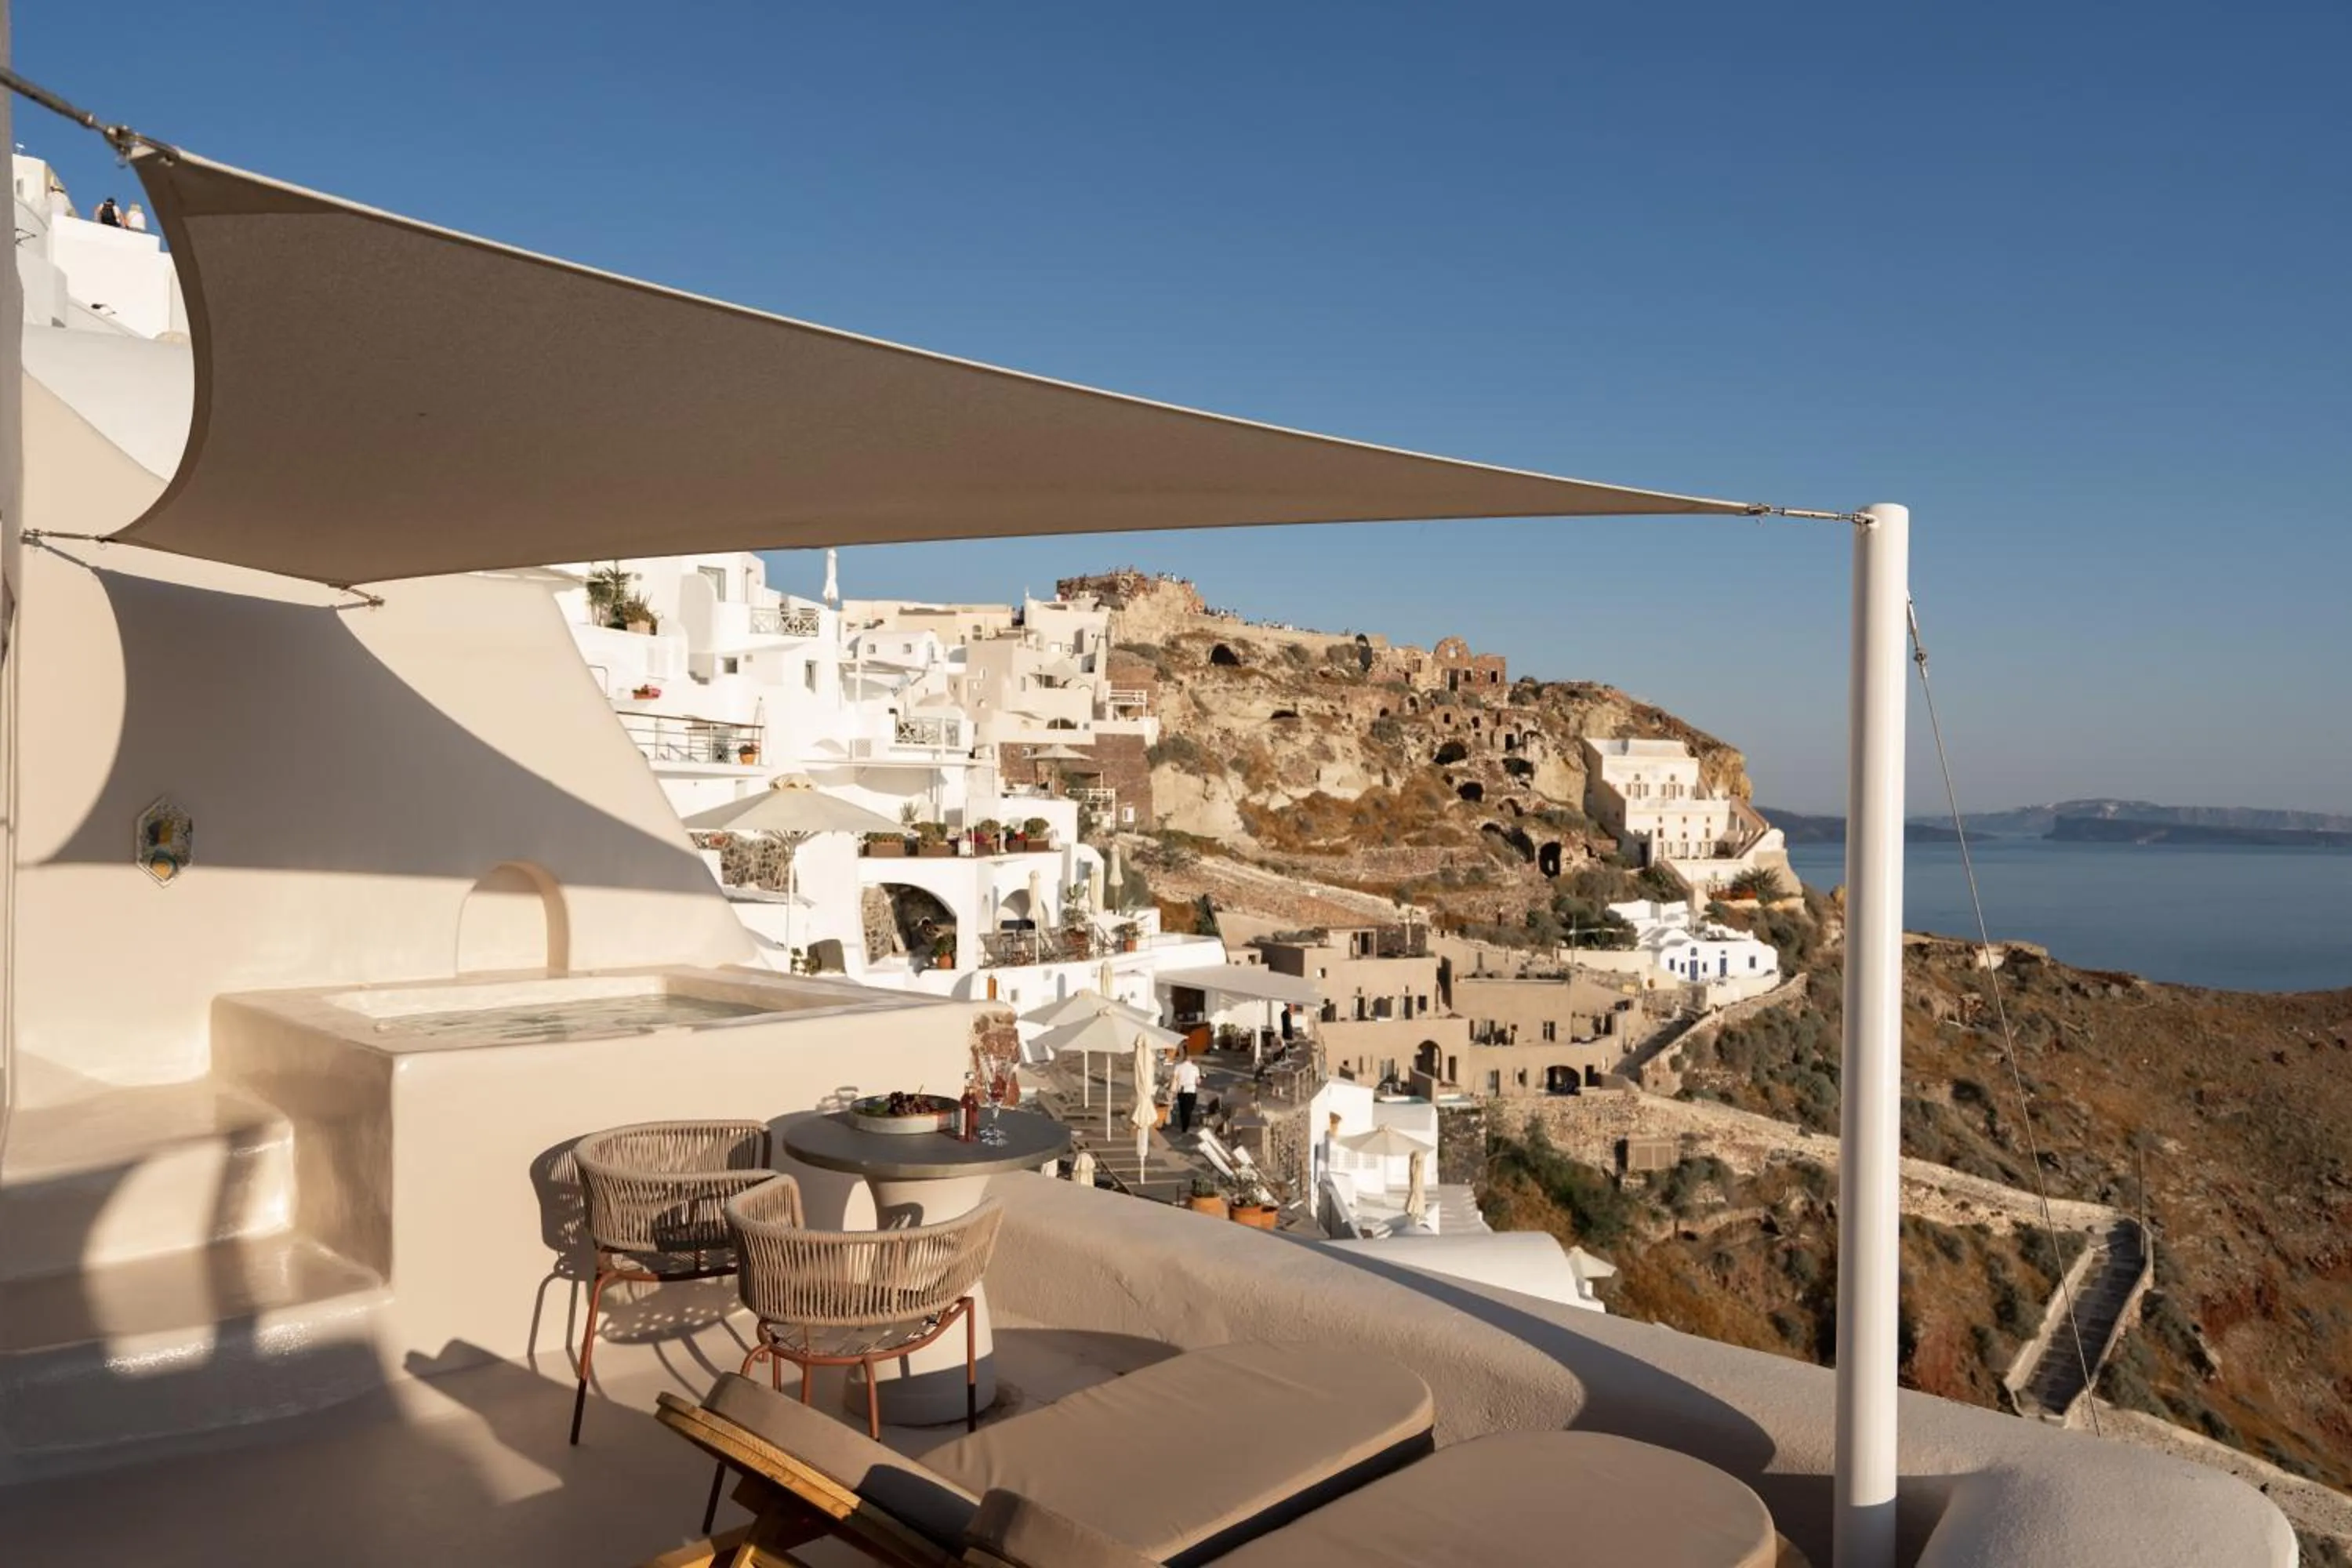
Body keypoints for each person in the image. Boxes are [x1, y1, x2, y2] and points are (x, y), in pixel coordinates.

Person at [1171, 1052, 1203, 1135]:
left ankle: (1184, 1126)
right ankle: (1185, 1127)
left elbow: (1175, 1079)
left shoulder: (1178, 1067)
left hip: (1181, 1091)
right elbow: (1198, 1082)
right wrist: (1201, 1079)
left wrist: (1173, 1090)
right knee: (1189, 1110)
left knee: (1182, 1109)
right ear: (1191, 1059)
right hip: (1191, 1091)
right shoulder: (1195, 1068)